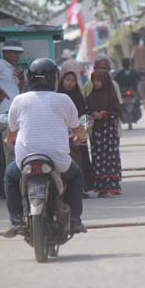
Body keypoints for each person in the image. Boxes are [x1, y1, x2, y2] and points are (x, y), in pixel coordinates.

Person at [3, 58, 87, 237]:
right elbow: (78, 130)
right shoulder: (63, 99)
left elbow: (10, 136)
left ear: (29, 78)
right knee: (76, 176)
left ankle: (16, 220)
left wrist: (9, 142)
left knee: (10, 177)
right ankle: (75, 220)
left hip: (25, 160)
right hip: (57, 160)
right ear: (54, 78)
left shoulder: (18, 100)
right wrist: (80, 138)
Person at [58, 62, 94, 196]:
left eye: (73, 80)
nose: (70, 83)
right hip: (61, 134)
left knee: (79, 162)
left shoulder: (78, 96)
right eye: (67, 79)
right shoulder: (57, 96)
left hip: (76, 133)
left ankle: (80, 189)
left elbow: (83, 115)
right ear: (62, 80)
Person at [86, 70, 123, 197]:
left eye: (98, 80)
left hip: (109, 133)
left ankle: (112, 186)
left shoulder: (111, 96)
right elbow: (86, 111)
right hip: (97, 133)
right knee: (98, 158)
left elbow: (118, 113)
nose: (96, 83)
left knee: (110, 158)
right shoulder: (91, 96)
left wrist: (105, 114)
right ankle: (101, 187)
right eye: (94, 80)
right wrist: (92, 114)